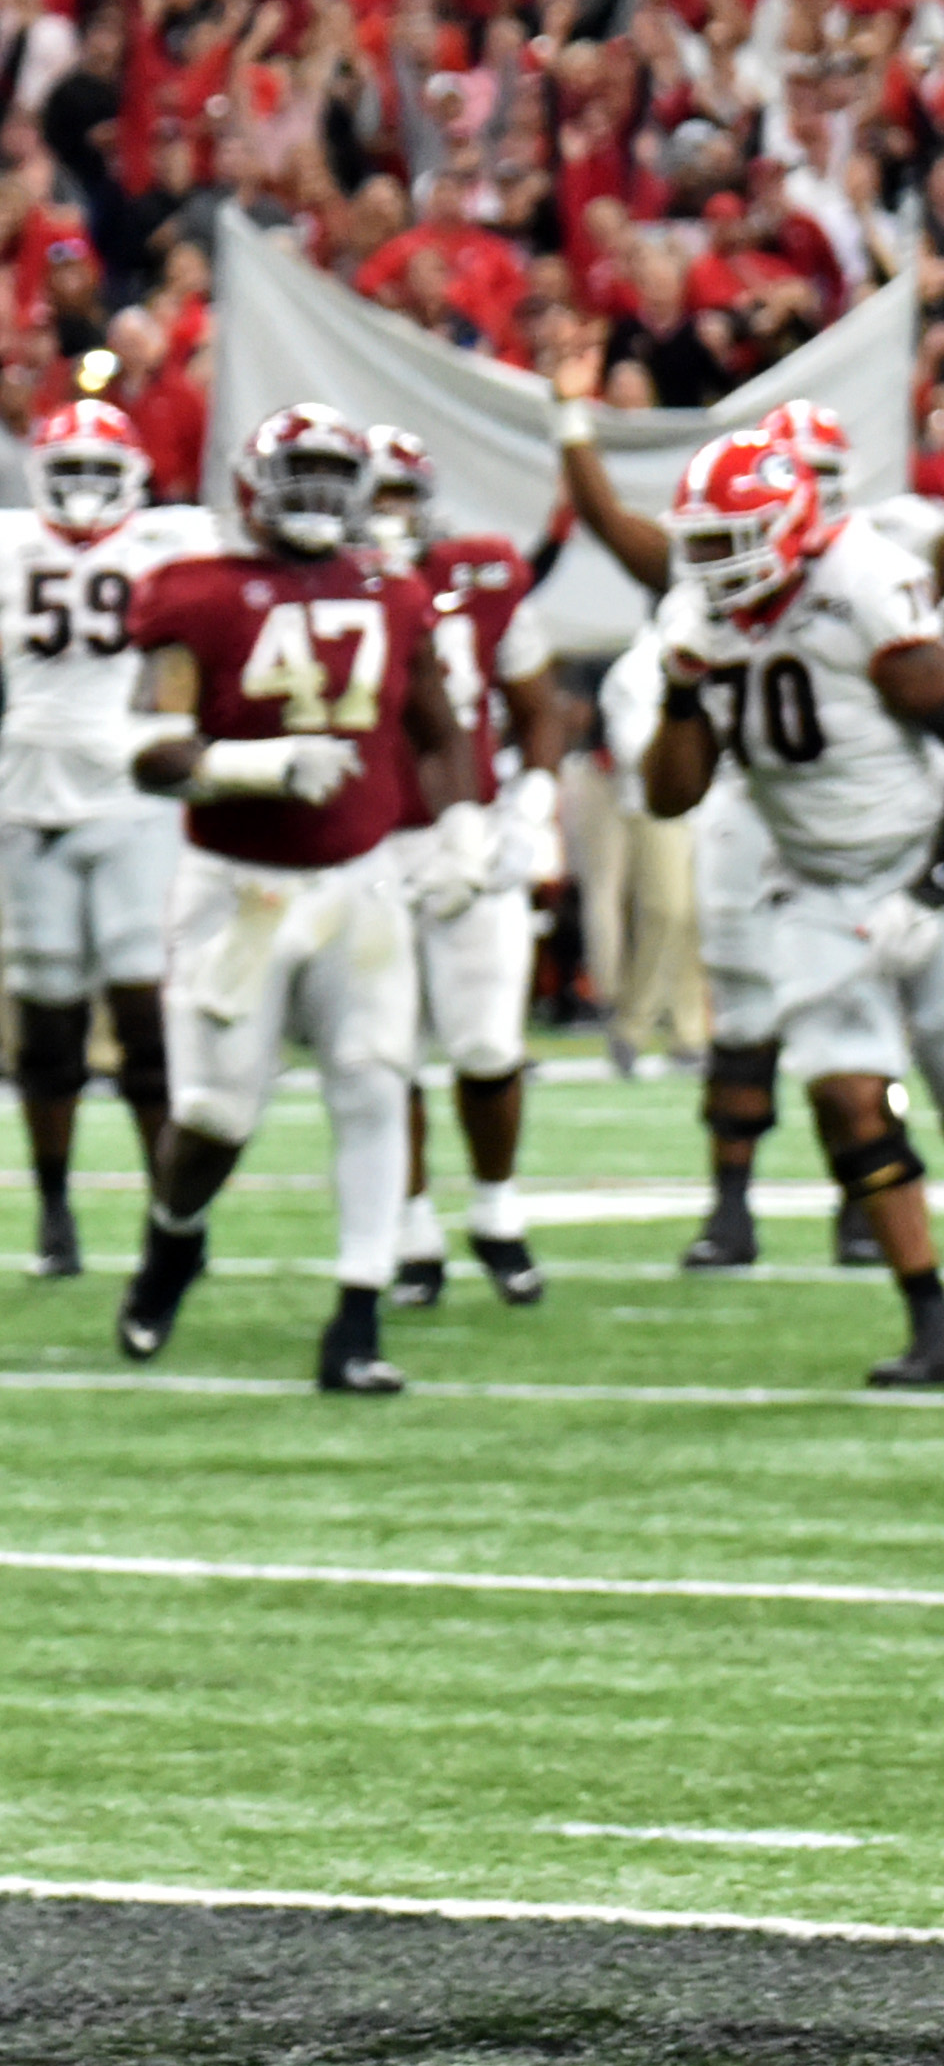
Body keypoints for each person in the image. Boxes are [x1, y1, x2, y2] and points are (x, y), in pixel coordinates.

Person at [554, 352, 944, 1269]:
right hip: (768, 816)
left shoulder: (875, 566)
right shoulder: (710, 581)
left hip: (892, 821)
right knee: (761, 1017)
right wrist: (572, 421)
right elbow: (673, 776)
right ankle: (770, 1206)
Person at [636, 425, 944, 1388]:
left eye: (736, 540)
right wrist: (681, 695)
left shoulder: (861, 586)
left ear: (795, 528)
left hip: (926, 860)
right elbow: (670, 796)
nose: (717, 567)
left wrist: (932, 887)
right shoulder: (704, 619)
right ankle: (935, 1325)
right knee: (848, 1099)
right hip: (808, 880)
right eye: (705, 543)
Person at [112, 404, 483, 1393]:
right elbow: (151, 755)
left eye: (335, 475)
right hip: (239, 891)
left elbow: (441, 729)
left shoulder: (392, 589)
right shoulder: (194, 593)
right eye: (300, 474)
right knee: (215, 1116)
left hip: (357, 883)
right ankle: (172, 1240)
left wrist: (457, 828)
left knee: (372, 1084)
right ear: (251, 484)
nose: (319, 496)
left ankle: (357, 1319)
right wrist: (263, 764)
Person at [2, 398, 213, 1278]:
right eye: (70, 473)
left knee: (147, 1024)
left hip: (134, 799)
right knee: (47, 1027)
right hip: (29, 798)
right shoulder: (10, 546)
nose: (85, 493)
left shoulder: (172, 541)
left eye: (101, 473)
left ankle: (171, 1221)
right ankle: (55, 1209)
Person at [363, 426, 566, 1308]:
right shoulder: (316, 587)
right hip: (368, 840)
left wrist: (531, 799)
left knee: (487, 1044)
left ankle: (496, 1210)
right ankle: (410, 1229)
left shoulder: (479, 577)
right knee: (385, 1052)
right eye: (370, 498)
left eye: (398, 495)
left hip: (470, 829)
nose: (384, 517)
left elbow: (539, 703)